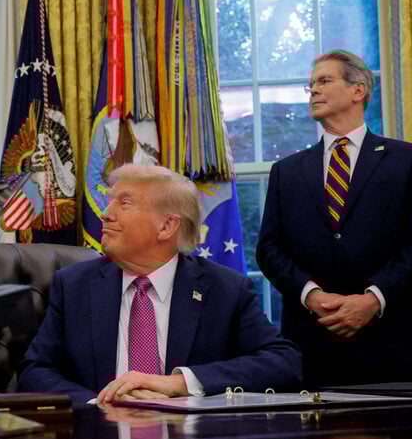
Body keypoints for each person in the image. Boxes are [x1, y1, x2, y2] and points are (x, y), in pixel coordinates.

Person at [18, 165, 302, 407]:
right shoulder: (74, 285)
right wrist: (99, 404)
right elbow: (35, 371)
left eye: (124, 203)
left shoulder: (224, 289)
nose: (105, 214)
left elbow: (284, 362)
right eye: (110, 201)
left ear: (166, 226)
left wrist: (179, 383)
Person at [257, 50, 412, 388]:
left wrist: (372, 299)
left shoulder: (406, 159)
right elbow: (269, 249)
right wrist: (311, 295)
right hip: (311, 346)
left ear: (358, 90)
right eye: (311, 84)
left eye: (325, 81)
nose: (314, 90)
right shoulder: (287, 171)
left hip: (389, 345)